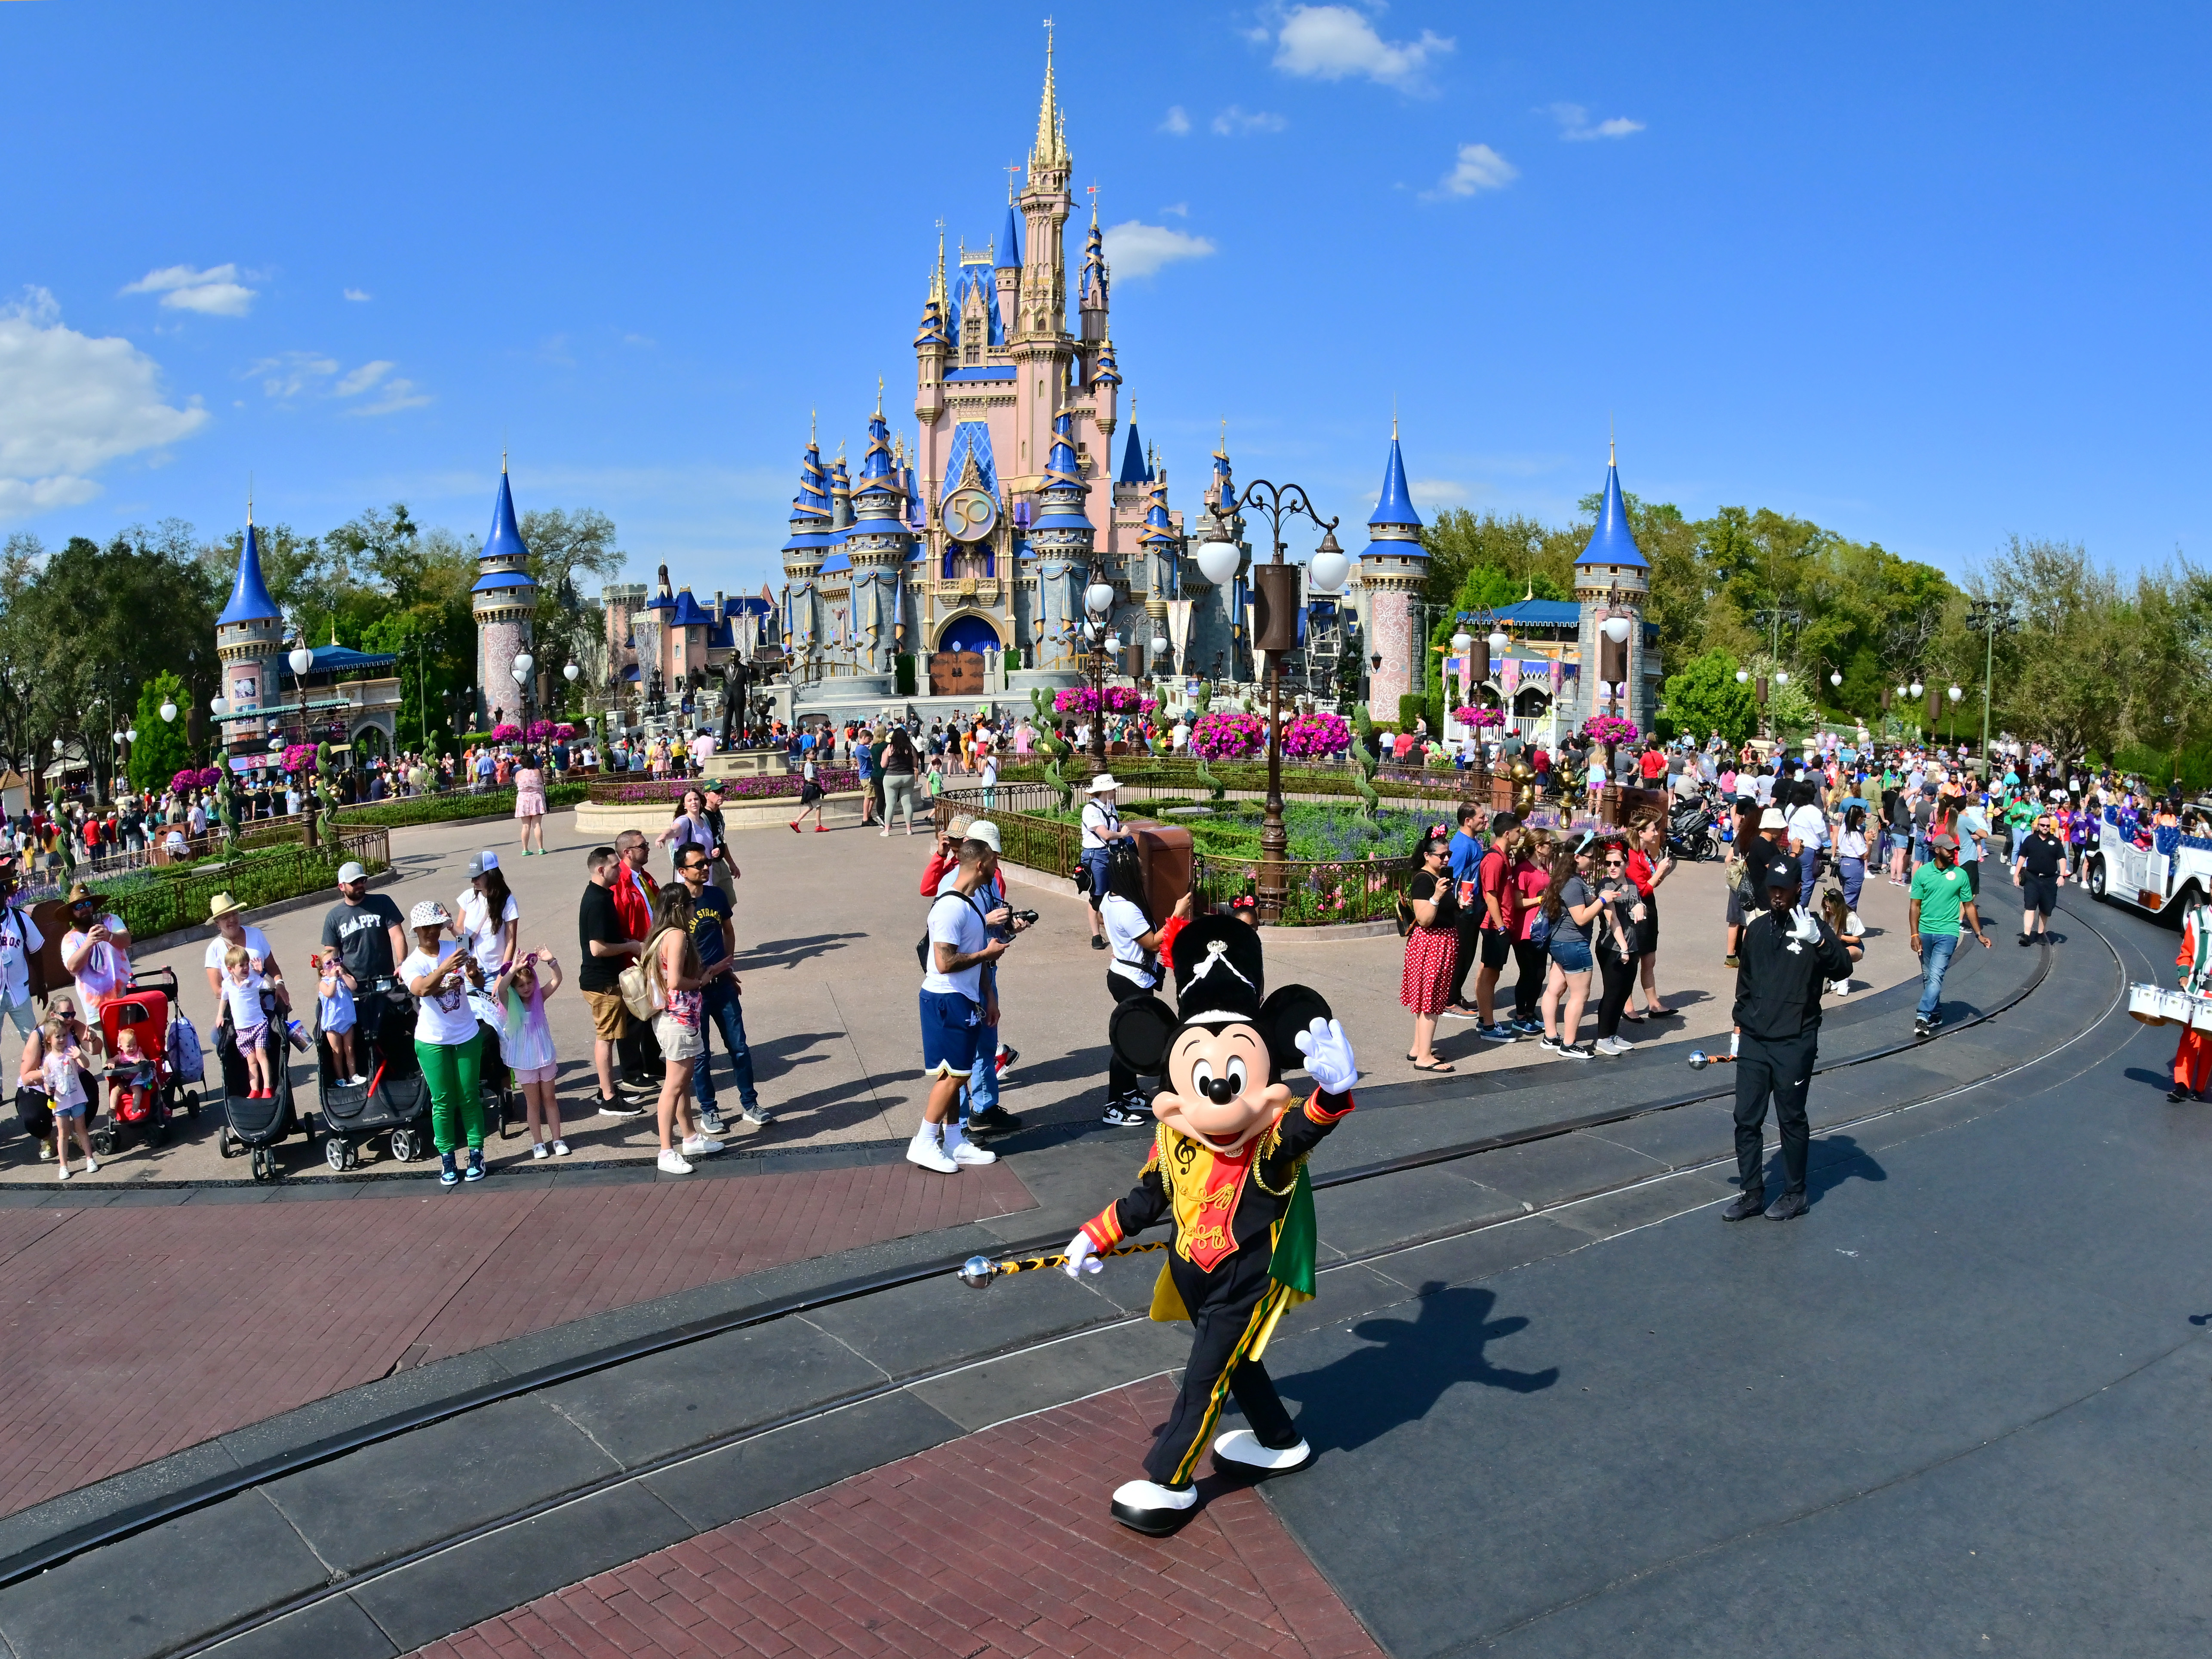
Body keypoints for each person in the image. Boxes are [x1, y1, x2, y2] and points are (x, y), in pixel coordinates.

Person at [1061, 917, 1357, 1534]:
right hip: (1193, 1273)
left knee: (1204, 1377)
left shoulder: (1267, 1146)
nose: (1219, 1095)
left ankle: (1169, 1480)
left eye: (1234, 1077)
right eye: (1201, 1079)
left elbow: (1300, 1130)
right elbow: (1148, 1197)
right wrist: (1096, 1233)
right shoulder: (1171, 1139)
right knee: (1232, 1362)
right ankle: (1278, 1440)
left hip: (1243, 1275)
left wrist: (1329, 1096)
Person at [1722, 863, 1857, 1222]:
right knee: (1745, 1118)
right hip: (1754, 1037)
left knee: (1790, 1118)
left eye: (1784, 888)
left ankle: (1795, 1193)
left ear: (1799, 888)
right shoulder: (1757, 928)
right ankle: (1752, 1192)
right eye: (1772, 889)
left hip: (1793, 1041)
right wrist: (1738, 1026)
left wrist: (1819, 940)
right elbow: (1746, 983)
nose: (1777, 895)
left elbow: (1843, 968)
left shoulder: (1814, 928)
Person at [911, 831, 1010, 1173]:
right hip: (946, 998)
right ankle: (924, 1142)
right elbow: (945, 962)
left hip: (964, 998)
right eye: (994, 862)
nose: (997, 866)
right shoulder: (951, 906)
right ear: (981, 864)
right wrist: (987, 952)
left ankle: (954, 1140)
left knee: (955, 1072)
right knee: (952, 1077)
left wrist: (989, 994)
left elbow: (977, 957)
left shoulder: (971, 904)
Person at [672, 843, 770, 1133]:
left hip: (722, 986)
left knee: (739, 1047)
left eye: (706, 863)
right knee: (701, 1055)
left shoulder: (716, 895)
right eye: (698, 864)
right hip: (693, 992)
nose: (705, 867)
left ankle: (750, 1104)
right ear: (682, 871)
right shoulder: (675, 902)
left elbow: (728, 931)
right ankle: (709, 1111)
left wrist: (727, 966)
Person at [402, 899, 488, 1185]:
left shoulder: (456, 948)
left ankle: (476, 1152)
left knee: (468, 1095)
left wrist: (473, 972)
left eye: (436, 926)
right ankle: (447, 1159)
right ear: (416, 930)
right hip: (432, 1039)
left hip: (465, 1033)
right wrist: (444, 967)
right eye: (425, 928)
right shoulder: (411, 963)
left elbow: (478, 983)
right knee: (442, 1100)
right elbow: (422, 988)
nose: (432, 933)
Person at [645, 884, 724, 1173]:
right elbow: (676, 981)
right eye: (690, 904)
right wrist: (702, 980)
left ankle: (689, 1136)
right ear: (680, 907)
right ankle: (666, 1150)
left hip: (673, 1018)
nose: (694, 907)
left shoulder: (659, 934)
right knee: (674, 1085)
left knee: (681, 1081)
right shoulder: (677, 936)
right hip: (678, 1018)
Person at [577, 845, 647, 1118]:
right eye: (616, 866)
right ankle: (608, 1098)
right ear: (601, 870)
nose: (620, 870)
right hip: (601, 983)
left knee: (609, 1037)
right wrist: (631, 946)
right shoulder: (598, 900)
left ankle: (607, 1088)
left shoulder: (601, 895)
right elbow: (597, 948)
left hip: (603, 980)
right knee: (606, 1039)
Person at [1100, 839, 1167, 1121]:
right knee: (1127, 1041)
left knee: (1137, 1035)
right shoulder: (1128, 909)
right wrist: (1176, 915)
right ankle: (1113, 1106)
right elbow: (1152, 943)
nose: (1142, 875)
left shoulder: (1110, 899)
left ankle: (1129, 1091)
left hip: (1128, 976)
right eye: (1138, 871)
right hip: (1130, 981)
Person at [1908, 832, 1992, 1037]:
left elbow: (1969, 906)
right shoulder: (1923, 874)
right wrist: (1914, 935)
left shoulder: (1961, 875)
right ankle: (1936, 1013)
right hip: (1925, 932)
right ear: (1937, 850)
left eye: (1955, 850)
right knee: (1929, 976)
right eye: (1949, 849)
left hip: (1948, 933)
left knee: (1936, 975)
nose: (1954, 853)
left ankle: (1923, 1016)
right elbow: (1915, 906)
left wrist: (1979, 933)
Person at [493, 948, 567, 1156]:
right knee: (533, 1103)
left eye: (530, 983)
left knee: (550, 1099)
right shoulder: (510, 1003)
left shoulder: (539, 998)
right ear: (515, 989)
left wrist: (551, 960)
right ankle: (538, 1143)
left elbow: (557, 979)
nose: (527, 988)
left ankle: (558, 1140)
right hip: (524, 1061)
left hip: (545, 1056)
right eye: (521, 986)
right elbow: (502, 989)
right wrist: (514, 968)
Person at [1538, 837, 1604, 1058]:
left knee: (1554, 989)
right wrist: (1602, 901)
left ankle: (1550, 1037)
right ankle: (1569, 1044)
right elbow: (1581, 918)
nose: (1594, 861)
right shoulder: (1573, 884)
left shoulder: (1565, 879)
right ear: (1577, 857)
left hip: (1560, 943)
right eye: (1590, 857)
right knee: (1580, 995)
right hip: (1574, 944)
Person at [1401, 828, 1459, 1072]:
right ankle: (1424, 1058)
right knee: (1431, 1002)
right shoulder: (1424, 880)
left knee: (1427, 1000)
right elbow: (1424, 919)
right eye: (1442, 856)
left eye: (1449, 854)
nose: (1446, 859)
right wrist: (1436, 897)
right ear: (1428, 856)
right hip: (1432, 944)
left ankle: (1418, 1048)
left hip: (1439, 943)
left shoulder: (1438, 878)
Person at [1590, 842, 1646, 1057]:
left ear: (1626, 864)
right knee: (1612, 992)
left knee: (1625, 991)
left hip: (1632, 946)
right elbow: (1612, 920)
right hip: (1612, 947)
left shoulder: (1631, 885)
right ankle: (1603, 1037)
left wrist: (1642, 906)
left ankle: (1612, 1034)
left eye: (1617, 863)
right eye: (1608, 863)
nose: (1612, 867)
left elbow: (1638, 906)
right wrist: (1623, 948)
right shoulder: (1605, 887)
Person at [1624, 814, 1675, 1019]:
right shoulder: (1632, 856)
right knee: (1634, 959)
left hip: (1649, 908)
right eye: (1653, 830)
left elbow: (1653, 885)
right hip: (1638, 908)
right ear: (1641, 833)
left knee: (1649, 959)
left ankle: (1654, 1004)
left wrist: (1662, 873)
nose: (1656, 833)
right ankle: (1628, 1007)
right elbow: (1641, 890)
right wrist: (1659, 871)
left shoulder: (1645, 854)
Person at [1441, 803, 1489, 1023]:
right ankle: (1449, 1001)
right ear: (1468, 821)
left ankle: (1456, 996)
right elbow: (1452, 875)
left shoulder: (1471, 842)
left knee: (1468, 954)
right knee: (1461, 955)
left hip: (1472, 906)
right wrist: (1459, 901)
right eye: (1481, 817)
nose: (1485, 820)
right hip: (1464, 909)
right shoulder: (1461, 845)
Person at [0, 856, 45, 1079]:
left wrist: (43, 984)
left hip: (19, 990)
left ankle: (39, 1078)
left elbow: (36, 952)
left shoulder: (19, 919)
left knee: (32, 1038)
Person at [60, 881, 132, 1019]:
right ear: (73, 913)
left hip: (127, 998)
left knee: (132, 1039)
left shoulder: (110, 920)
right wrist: (88, 943)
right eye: (79, 906)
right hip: (97, 1009)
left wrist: (110, 936)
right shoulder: (70, 939)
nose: (84, 909)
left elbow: (127, 941)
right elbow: (72, 968)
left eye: (88, 904)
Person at [2168, 888, 2212, 1103]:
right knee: (2190, 1036)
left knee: (2209, 1041)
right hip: (2197, 989)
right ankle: (2181, 1085)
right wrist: (2184, 975)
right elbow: (2186, 952)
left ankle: (2200, 1087)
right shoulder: (2197, 917)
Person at [40, 1014, 95, 1180]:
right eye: (58, 1036)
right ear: (49, 1039)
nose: (62, 1039)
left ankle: (90, 1159)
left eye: (65, 1035)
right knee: (63, 1134)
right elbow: (47, 1082)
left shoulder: (71, 1053)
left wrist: (80, 1055)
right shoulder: (48, 1061)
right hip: (61, 1102)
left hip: (77, 1098)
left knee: (82, 1130)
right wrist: (48, 1089)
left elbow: (86, 1065)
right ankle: (63, 1165)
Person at [1080, 775, 1130, 950]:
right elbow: (1106, 834)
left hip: (1112, 853)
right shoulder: (1090, 810)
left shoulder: (1110, 807)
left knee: (1114, 893)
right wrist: (1122, 834)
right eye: (1113, 789)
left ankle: (1111, 928)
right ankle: (1096, 935)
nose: (1116, 791)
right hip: (1096, 855)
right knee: (1098, 895)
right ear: (1106, 791)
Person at [454, 852, 520, 986]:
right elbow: (460, 935)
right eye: (472, 877)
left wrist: (503, 976)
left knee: (495, 1007)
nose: (473, 881)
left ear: (491, 874)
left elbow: (511, 942)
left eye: (477, 877)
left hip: (495, 972)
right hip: (470, 970)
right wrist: (449, 925)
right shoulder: (468, 897)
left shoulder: (508, 901)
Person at [221, 944, 275, 1099]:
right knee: (251, 1061)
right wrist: (220, 1016)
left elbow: (271, 986)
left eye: (247, 964)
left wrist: (262, 972)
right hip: (242, 1029)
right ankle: (255, 1089)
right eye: (242, 966)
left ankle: (267, 1088)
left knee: (262, 1055)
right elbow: (224, 999)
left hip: (259, 1024)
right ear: (231, 969)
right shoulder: (228, 984)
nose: (246, 968)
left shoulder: (253, 979)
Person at [2012, 812, 2067, 946]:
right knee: (2030, 906)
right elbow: (2022, 857)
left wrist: (2062, 875)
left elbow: (2062, 859)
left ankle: (2041, 933)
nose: (2045, 828)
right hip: (2032, 878)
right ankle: (2026, 934)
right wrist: (2016, 873)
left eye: (2048, 826)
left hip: (2049, 880)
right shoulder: (2030, 840)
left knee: (2046, 909)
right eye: (2043, 825)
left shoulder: (2056, 842)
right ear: (2038, 826)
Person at [313, 948, 361, 1084]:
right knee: (338, 1052)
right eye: (329, 964)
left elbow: (354, 986)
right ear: (323, 971)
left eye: (336, 961)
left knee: (350, 1050)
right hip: (333, 1025)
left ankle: (353, 1075)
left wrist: (343, 975)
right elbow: (330, 993)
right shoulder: (324, 983)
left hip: (347, 1022)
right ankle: (341, 1078)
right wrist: (333, 978)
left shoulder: (344, 979)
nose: (334, 965)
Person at [879, 725, 920, 837]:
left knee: (890, 804)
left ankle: (887, 830)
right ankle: (909, 829)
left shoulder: (890, 748)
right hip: (908, 777)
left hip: (891, 778)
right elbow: (915, 763)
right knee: (907, 803)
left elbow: (883, 765)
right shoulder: (910, 748)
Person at [513, 748, 548, 855]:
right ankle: (541, 848)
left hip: (523, 800)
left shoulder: (518, 774)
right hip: (536, 799)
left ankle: (525, 849)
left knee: (525, 826)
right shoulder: (538, 772)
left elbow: (517, 784)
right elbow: (544, 782)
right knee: (537, 825)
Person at [789, 750, 828, 832]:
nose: (815, 755)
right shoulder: (809, 766)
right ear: (807, 756)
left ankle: (796, 822)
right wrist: (818, 783)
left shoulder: (808, 765)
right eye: (813, 754)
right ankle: (818, 826)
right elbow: (810, 779)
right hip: (812, 788)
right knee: (818, 806)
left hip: (808, 788)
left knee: (810, 807)